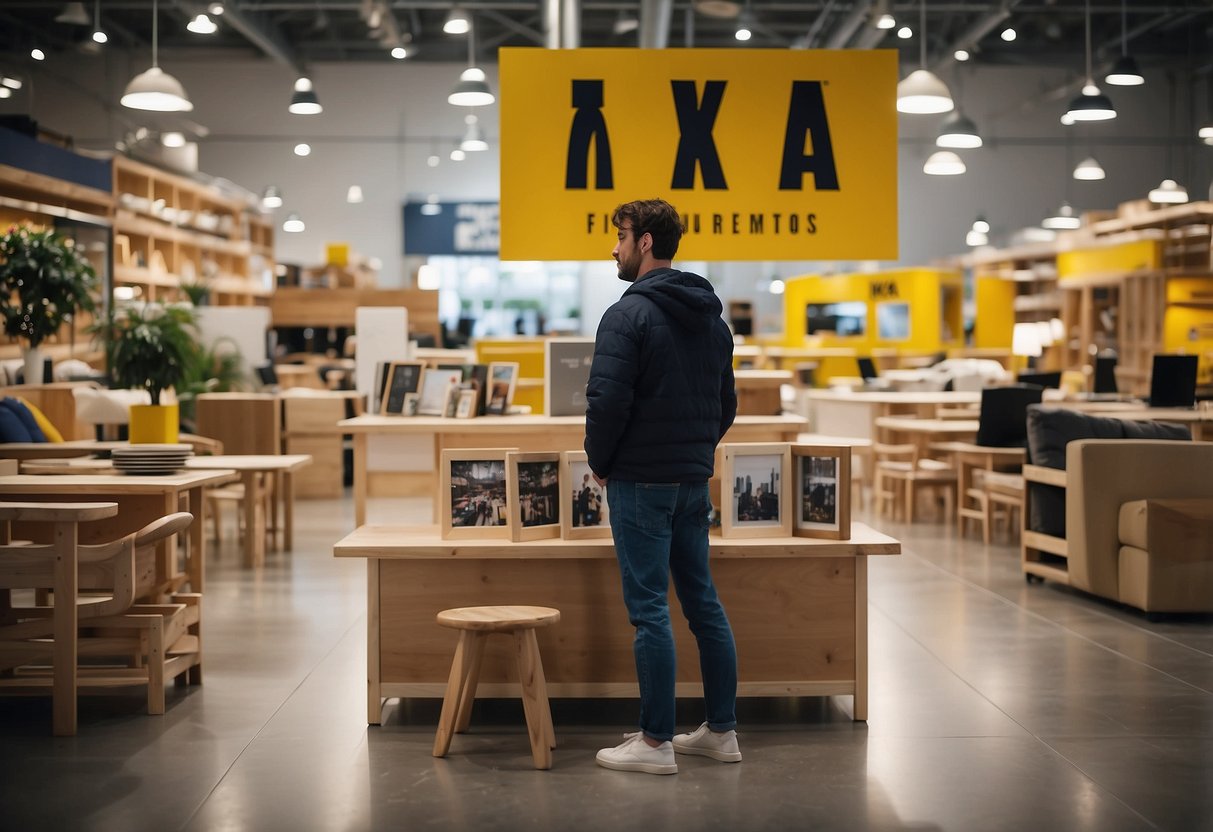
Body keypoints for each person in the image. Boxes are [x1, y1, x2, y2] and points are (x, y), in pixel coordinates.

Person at [584, 198, 740, 776]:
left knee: (649, 609)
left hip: (639, 481)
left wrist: (601, 461)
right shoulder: (711, 320)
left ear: (645, 241)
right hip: (692, 481)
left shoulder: (627, 315)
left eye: (621, 236)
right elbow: (726, 405)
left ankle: (655, 743)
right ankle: (721, 732)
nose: (614, 248)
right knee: (702, 603)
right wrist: (695, 452)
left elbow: (607, 401)